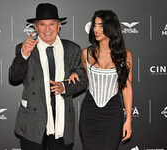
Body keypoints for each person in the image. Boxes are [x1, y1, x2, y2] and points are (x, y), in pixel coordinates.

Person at [9, 3, 87, 150]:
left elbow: (83, 80)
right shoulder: (24, 47)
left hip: (61, 122)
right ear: (36, 28)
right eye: (42, 25)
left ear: (59, 26)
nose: (47, 29)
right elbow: (14, 77)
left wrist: (65, 86)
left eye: (52, 24)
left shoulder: (72, 49)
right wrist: (23, 55)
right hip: (32, 119)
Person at [67, 10, 133, 150]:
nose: (96, 29)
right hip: (89, 113)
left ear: (111, 27)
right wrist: (74, 73)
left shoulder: (125, 56)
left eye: (101, 26)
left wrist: (128, 120)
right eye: (95, 25)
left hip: (113, 114)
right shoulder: (86, 53)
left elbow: (127, 88)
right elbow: (81, 75)